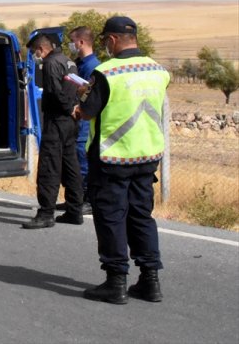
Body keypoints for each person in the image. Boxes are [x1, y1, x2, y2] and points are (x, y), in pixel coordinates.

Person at [75, 16, 169, 304]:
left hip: (112, 158)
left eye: (106, 40)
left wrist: (81, 100)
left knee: (112, 218)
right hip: (147, 156)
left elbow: (88, 112)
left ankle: (116, 281)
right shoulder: (159, 70)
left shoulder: (107, 73)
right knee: (142, 216)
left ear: (112, 40)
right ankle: (150, 280)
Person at [22, 34, 84, 229]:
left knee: (49, 166)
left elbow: (55, 93)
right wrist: (74, 107)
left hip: (57, 120)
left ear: (41, 49)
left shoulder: (50, 64)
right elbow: (77, 88)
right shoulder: (68, 61)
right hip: (70, 121)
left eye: (34, 52)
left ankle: (46, 213)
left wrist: (67, 107)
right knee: (70, 164)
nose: (34, 56)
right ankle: (75, 210)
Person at [69, 25, 101, 214]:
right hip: (76, 121)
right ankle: (75, 199)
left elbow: (91, 96)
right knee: (74, 162)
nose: (71, 45)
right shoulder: (78, 64)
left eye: (73, 42)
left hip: (85, 123)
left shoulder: (92, 66)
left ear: (81, 42)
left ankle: (87, 200)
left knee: (83, 162)